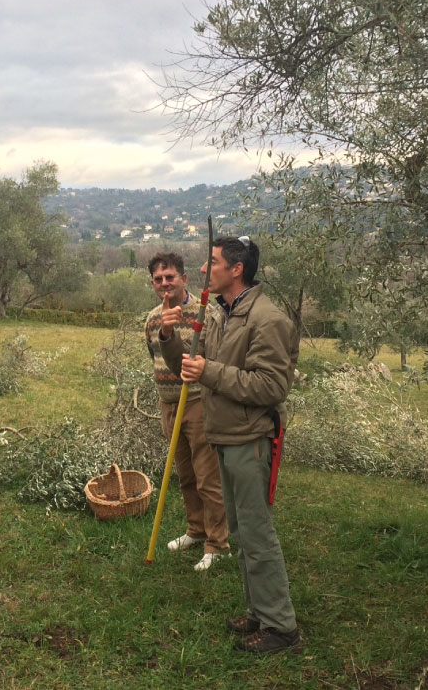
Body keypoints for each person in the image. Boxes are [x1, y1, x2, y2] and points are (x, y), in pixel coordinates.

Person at [160, 235, 301, 655]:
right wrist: (170, 340)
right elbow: (194, 370)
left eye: (213, 262)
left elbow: (273, 386)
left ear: (236, 269)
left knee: (257, 535)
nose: (205, 269)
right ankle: (259, 613)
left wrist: (210, 371)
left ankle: (282, 628)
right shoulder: (225, 312)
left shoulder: (267, 319)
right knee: (241, 532)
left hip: (250, 439)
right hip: (224, 436)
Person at [144, 252, 229, 571]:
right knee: (185, 474)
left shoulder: (204, 313)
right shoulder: (153, 317)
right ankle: (196, 530)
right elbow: (152, 354)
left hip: (197, 403)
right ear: (152, 283)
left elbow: (210, 360)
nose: (165, 283)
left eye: (170, 277)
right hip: (168, 404)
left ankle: (217, 543)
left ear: (184, 279)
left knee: (208, 476)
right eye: (158, 279)